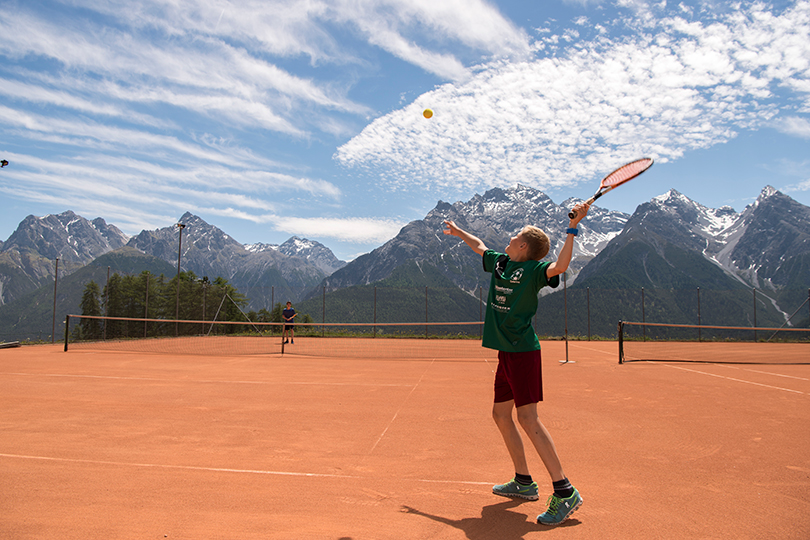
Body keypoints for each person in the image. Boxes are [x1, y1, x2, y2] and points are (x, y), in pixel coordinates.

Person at [442, 201, 590, 527]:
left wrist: (573, 228)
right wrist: (457, 232)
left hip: (523, 353)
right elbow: (479, 246)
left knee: (528, 418)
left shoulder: (536, 271)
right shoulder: (500, 262)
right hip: (505, 353)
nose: (508, 239)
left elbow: (561, 266)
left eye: (514, 236)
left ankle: (565, 490)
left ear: (523, 246)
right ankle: (524, 482)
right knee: (499, 414)